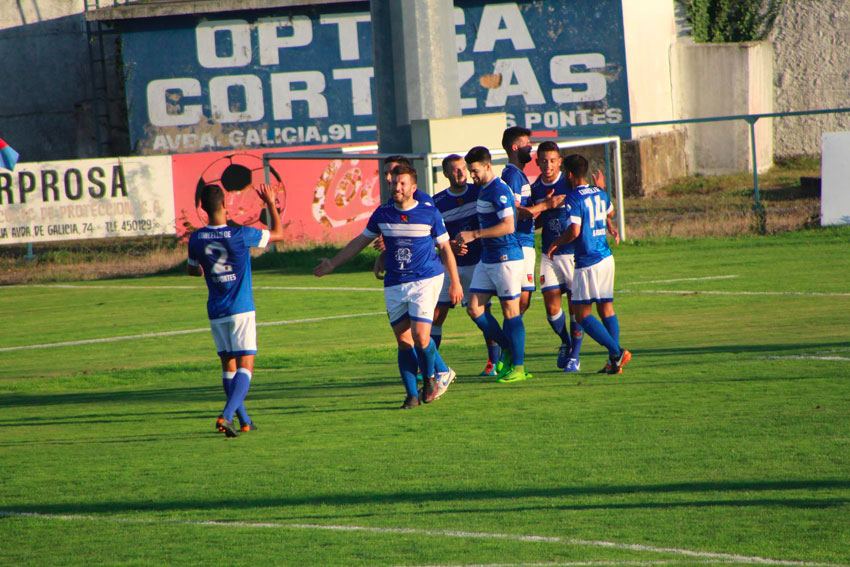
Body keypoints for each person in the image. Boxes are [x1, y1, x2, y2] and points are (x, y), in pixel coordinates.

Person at [314, 163, 463, 408]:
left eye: (402, 183)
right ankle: (411, 395)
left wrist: (455, 283)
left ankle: (430, 378)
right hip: (395, 282)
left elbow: (445, 248)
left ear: (413, 188)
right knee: (404, 340)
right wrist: (333, 263)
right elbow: (360, 241)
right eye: (394, 183)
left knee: (420, 336)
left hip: (425, 279)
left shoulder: (428, 212)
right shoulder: (382, 214)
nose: (396, 187)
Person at [187, 183, 284, 437]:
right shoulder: (240, 234)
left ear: (202, 208)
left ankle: (245, 420)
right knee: (245, 367)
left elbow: (193, 270)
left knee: (228, 367)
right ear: (224, 204)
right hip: (240, 309)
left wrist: (204, 268)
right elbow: (278, 233)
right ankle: (226, 416)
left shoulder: (196, 239)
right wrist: (270, 202)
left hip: (216, 311)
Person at [547, 154, 630, 374]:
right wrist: (601, 190)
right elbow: (611, 212)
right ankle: (614, 363)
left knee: (582, 314)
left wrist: (556, 242)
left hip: (588, 261)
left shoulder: (573, 197)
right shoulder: (599, 192)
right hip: (606, 257)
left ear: (569, 174)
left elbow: (574, 231)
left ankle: (617, 352)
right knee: (606, 309)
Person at [456, 146, 529, 384]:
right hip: (488, 258)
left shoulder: (499, 190)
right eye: (470, 171)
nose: (471, 175)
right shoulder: (484, 189)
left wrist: (474, 234)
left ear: (488, 166)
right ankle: (508, 348)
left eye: (475, 171)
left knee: (511, 311)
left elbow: (509, 225)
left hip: (506, 257)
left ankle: (519, 367)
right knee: (474, 309)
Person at [432, 154, 501, 376]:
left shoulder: (479, 192)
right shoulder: (437, 202)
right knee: (436, 315)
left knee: (481, 312)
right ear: (445, 174)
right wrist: (449, 246)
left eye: (463, 167)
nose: (461, 172)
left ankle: (494, 362)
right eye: (455, 169)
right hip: (449, 266)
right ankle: (429, 366)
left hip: (478, 264)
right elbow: (431, 237)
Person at [524, 142, 584, 372]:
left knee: (575, 305)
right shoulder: (535, 188)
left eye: (552, 160)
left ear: (559, 161)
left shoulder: (569, 183)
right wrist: (544, 206)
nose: (548, 165)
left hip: (572, 253)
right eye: (543, 161)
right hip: (549, 253)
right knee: (551, 309)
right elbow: (534, 220)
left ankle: (575, 356)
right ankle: (566, 343)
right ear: (537, 162)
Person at [500, 126, 536, 314]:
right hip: (519, 243)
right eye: (526, 143)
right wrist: (545, 206)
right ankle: (510, 332)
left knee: (522, 301)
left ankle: (511, 331)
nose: (530, 147)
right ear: (515, 148)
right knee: (521, 301)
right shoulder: (513, 175)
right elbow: (514, 212)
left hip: (524, 241)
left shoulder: (517, 174)